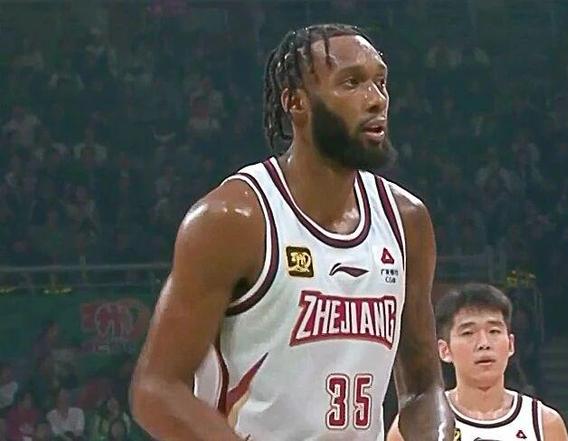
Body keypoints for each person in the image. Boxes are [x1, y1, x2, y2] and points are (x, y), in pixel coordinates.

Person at [130, 23, 454, 440]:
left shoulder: (406, 220)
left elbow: (424, 390)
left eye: (380, 82)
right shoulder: (234, 218)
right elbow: (156, 389)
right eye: (352, 83)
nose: (376, 99)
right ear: (296, 103)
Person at [387, 283, 568, 441]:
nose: (484, 343)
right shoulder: (418, 424)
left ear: (511, 344)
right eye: (468, 333)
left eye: (494, 331)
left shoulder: (544, 423)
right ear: (444, 350)